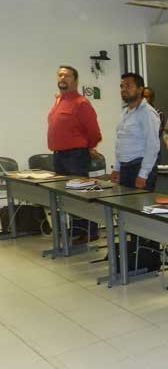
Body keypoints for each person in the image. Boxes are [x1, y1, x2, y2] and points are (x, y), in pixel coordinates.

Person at [47, 65, 102, 243]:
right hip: (59, 156)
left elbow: (94, 132)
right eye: (60, 75)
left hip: (75, 156)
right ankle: (77, 229)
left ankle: (89, 231)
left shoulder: (81, 103)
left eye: (67, 76)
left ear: (75, 80)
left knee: (80, 195)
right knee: (67, 196)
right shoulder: (58, 101)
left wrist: (87, 147)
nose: (62, 78)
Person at [111, 73, 160, 191]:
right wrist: (117, 168)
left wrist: (143, 174)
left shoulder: (148, 113)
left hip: (139, 167)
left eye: (128, 86)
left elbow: (153, 146)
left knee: (140, 203)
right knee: (123, 202)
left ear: (140, 89)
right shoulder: (124, 112)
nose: (124, 89)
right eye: (122, 86)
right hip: (124, 168)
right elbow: (120, 143)